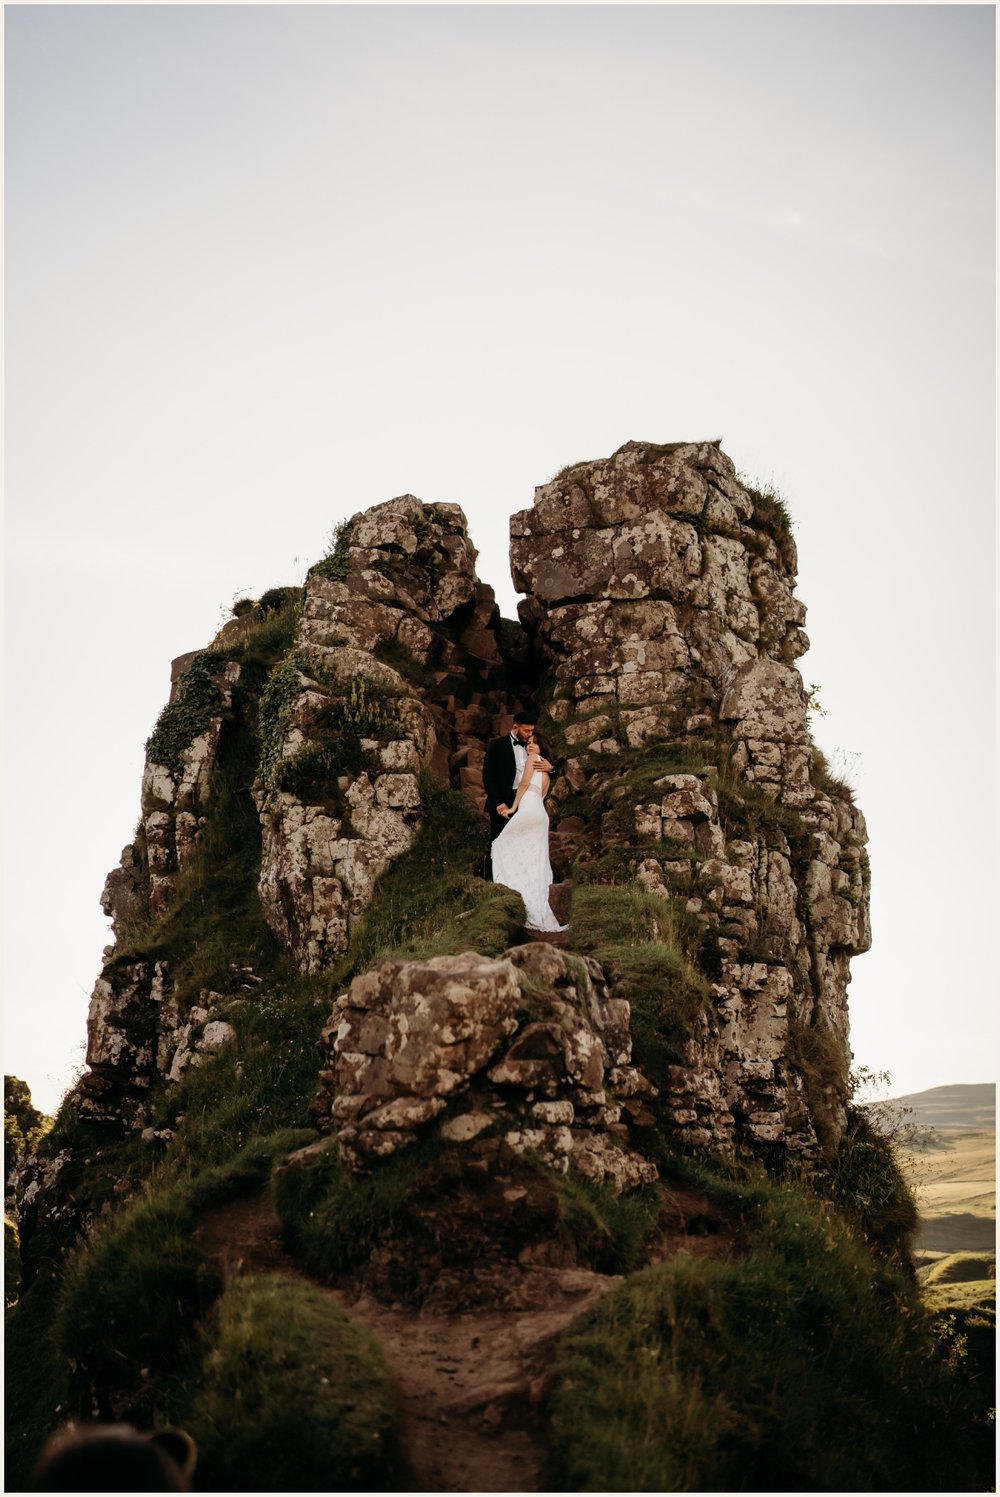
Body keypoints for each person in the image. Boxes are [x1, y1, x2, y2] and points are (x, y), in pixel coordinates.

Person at [490, 732, 567, 933]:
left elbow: (524, 785)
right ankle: (529, 893)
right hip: (540, 814)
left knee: (501, 844)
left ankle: (514, 890)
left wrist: (513, 808)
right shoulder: (547, 771)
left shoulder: (533, 759)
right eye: (528, 744)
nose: (530, 746)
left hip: (529, 809)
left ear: (542, 746)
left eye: (534, 743)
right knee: (532, 855)